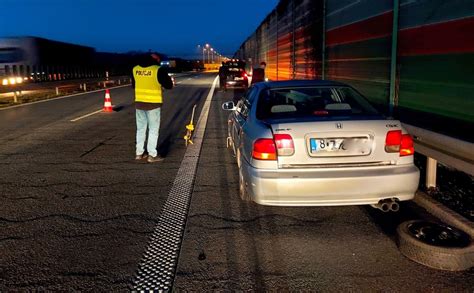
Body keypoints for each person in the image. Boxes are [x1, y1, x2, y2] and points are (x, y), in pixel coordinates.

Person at [132, 53, 173, 163]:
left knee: (140, 129)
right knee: (153, 130)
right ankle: (152, 155)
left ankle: (139, 153)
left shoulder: (135, 69)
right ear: (155, 59)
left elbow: (134, 85)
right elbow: (169, 85)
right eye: (158, 59)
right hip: (153, 104)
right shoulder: (158, 70)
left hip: (139, 103)